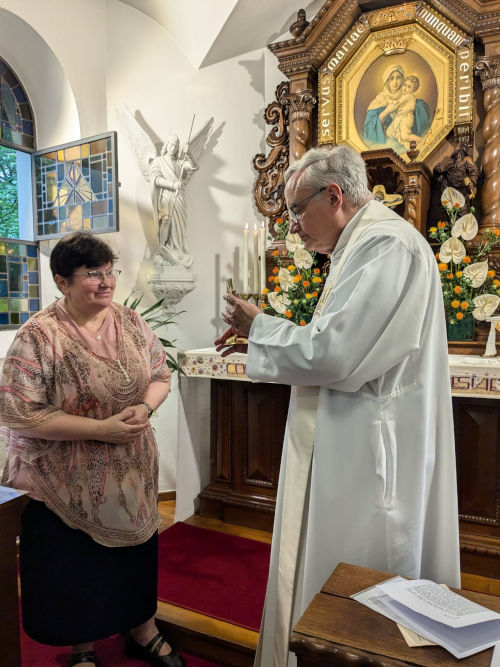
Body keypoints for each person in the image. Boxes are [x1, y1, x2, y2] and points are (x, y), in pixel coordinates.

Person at [215, 145, 460, 667]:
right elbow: (336, 343)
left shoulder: (386, 246)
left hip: (368, 457)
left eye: (296, 211)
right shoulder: (363, 247)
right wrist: (265, 338)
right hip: (356, 442)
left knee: (365, 591)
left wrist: (259, 326)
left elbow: (337, 353)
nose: (292, 227)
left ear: (334, 195)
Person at [0, 231, 184, 667]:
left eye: (109, 271)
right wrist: (99, 429)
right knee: (77, 565)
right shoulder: (39, 336)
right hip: (66, 475)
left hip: (132, 469)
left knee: (136, 558)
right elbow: (18, 409)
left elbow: (161, 375)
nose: (106, 282)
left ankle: (143, 630)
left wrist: (143, 406)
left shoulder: (132, 322)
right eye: (92, 274)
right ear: (62, 282)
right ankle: (82, 646)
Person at [151, 134, 197, 270]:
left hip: (179, 197)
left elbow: (195, 167)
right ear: (167, 145)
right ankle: (162, 249)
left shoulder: (179, 163)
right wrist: (172, 184)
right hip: (167, 195)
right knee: (165, 220)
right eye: (171, 144)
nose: (173, 147)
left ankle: (177, 250)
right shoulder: (158, 161)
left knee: (179, 226)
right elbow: (156, 179)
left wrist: (189, 154)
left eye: (176, 145)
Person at [363, 64, 431, 151]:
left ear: (402, 79)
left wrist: (413, 108)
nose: (395, 82)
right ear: (386, 81)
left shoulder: (406, 95)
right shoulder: (379, 100)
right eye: (391, 78)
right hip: (387, 145)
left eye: (398, 77)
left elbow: (421, 108)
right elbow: (369, 132)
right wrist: (385, 112)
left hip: (404, 134)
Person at [386, 75, 426, 150]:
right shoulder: (403, 96)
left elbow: (402, 104)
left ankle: (422, 140)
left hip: (406, 118)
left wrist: (390, 101)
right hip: (400, 117)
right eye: (405, 85)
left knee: (405, 136)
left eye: (409, 87)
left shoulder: (409, 96)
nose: (405, 88)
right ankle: (410, 147)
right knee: (391, 133)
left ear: (413, 90)